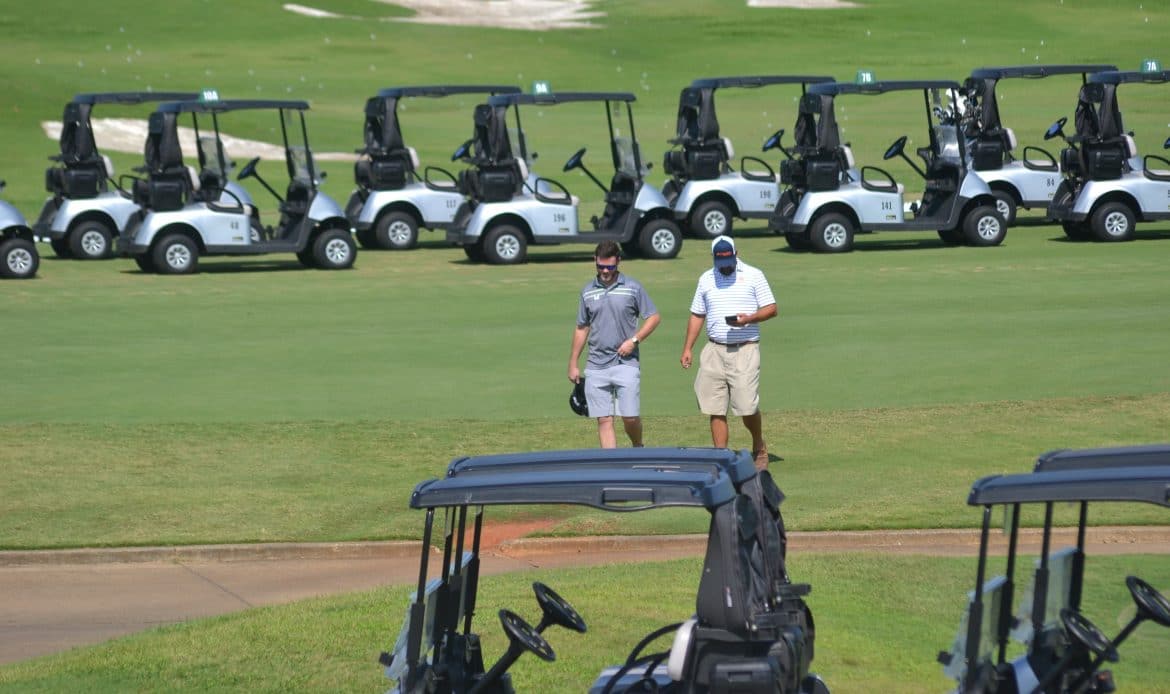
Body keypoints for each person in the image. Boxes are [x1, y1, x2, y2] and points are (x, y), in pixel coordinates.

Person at [680, 235, 777, 469]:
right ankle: (721, 456)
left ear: (736, 254)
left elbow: (772, 309)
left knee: (746, 406)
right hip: (714, 349)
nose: (725, 266)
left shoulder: (754, 275)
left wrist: (749, 318)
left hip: (745, 349)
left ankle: (759, 445)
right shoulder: (706, 279)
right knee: (715, 407)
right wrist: (688, 348)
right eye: (720, 261)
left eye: (728, 260)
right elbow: (697, 315)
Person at [568, 241, 660, 448]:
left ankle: (638, 447)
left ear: (618, 261)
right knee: (604, 420)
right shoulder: (587, 292)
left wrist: (634, 340)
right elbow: (582, 328)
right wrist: (573, 363)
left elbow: (653, 317)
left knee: (630, 417)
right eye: (600, 266)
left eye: (609, 266)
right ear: (595, 261)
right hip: (595, 365)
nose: (605, 271)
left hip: (625, 362)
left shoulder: (632, 288)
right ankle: (612, 462)